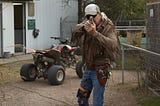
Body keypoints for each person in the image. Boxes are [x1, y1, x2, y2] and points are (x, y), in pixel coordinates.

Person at [72, 3, 120, 106]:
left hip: (100, 69)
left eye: (93, 16)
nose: (91, 19)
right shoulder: (87, 23)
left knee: (97, 102)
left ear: (99, 14)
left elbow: (113, 44)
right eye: (88, 16)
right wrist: (84, 28)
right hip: (88, 67)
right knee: (81, 97)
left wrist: (95, 34)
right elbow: (74, 30)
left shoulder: (108, 26)